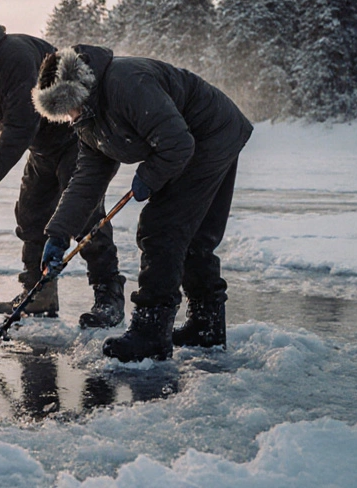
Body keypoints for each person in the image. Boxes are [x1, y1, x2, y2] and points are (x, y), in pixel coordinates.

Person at [32, 45, 252, 362]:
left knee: (161, 227)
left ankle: (151, 332)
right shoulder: (89, 119)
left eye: (68, 107)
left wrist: (149, 177)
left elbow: (177, 143)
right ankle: (205, 327)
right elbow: (87, 180)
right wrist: (58, 233)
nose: (69, 116)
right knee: (193, 238)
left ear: (77, 90)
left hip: (211, 133)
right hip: (197, 139)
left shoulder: (125, 83)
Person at [0, 22, 124, 328]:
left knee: (84, 216)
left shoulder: (13, 57)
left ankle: (108, 295)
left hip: (74, 139)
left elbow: (20, 128)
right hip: (42, 148)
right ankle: (38, 295)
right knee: (31, 215)